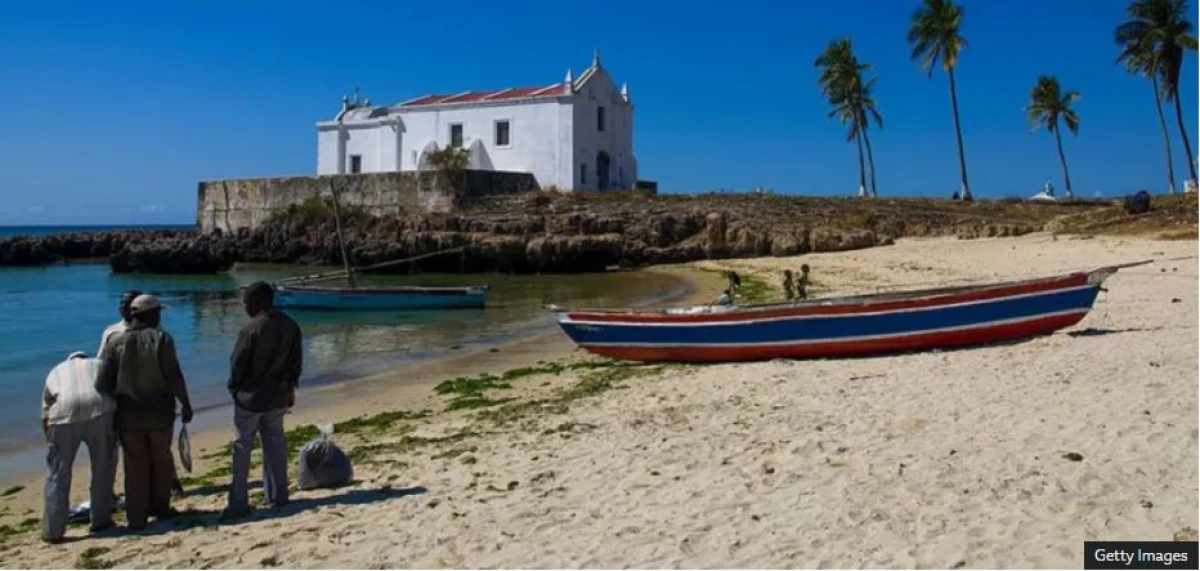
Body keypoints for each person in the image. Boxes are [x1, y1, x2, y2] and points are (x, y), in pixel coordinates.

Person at [96, 294, 194, 531]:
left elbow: (102, 384)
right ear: (149, 314)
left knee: (135, 465)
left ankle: (136, 517)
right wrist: (186, 403)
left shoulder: (114, 342)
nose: (159, 315)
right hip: (160, 414)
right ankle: (161, 509)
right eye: (157, 312)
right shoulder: (162, 339)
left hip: (128, 416)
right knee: (160, 462)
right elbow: (174, 375)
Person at [224, 282, 303, 520]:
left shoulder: (250, 329)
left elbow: (238, 364)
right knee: (276, 445)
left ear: (259, 301)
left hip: (250, 397)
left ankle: (238, 502)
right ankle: (279, 495)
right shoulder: (290, 325)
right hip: (277, 394)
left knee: (242, 447)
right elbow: (295, 363)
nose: (245, 306)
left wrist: (234, 389)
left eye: (247, 301)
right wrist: (290, 388)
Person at [41, 352, 117, 543]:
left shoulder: (56, 371)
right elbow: (114, 390)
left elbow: (46, 411)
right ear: (85, 358)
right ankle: (100, 520)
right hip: (99, 408)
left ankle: (53, 530)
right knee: (103, 467)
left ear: (69, 360)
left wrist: (51, 440)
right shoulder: (98, 364)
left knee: (58, 474)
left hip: (63, 413)